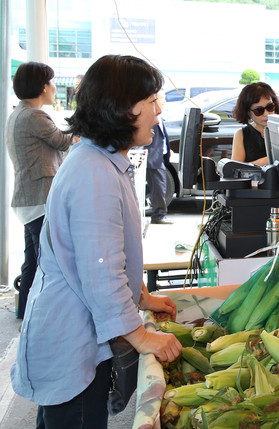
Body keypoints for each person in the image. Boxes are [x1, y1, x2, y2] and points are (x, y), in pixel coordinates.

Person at [11, 55, 182, 429]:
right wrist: (139, 335)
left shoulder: (100, 160)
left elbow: (111, 252)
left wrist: (141, 296)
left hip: (83, 327)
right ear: (123, 109)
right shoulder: (94, 175)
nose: (158, 114)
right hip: (72, 339)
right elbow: (100, 270)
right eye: (152, 102)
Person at [5, 61, 76, 319]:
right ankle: (43, 318)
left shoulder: (19, 113)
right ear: (43, 86)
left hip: (28, 198)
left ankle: (26, 313)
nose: (54, 87)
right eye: (52, 81)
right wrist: (83, 124)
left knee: (32, 262)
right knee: (48, 263)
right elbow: (63, 141)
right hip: (39, 198)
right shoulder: (34, 115)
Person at [145, 89, 173, 224]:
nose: (164, 102)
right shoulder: (150, 116)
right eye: (162, 99)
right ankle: (159, 215)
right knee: (158, 187)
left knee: (160, 187)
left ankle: (159, 213)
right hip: (153, 158)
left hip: (160, 157)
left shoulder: (160, 117)